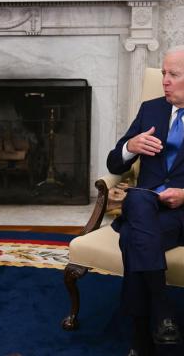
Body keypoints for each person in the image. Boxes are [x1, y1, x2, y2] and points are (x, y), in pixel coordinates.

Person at [107, 46, 184, 356]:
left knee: (131, 238)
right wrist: (131, 146)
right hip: (146, 208)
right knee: (138, 200)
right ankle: (164, 312)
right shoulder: (151, 109)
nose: (164, 80)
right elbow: (115, 164)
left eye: (173, 75)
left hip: (180, 213)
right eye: (163, 73)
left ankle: (140, 339)